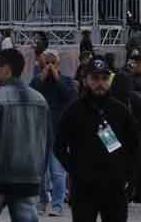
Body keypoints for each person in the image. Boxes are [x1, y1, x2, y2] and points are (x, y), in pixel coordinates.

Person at [54, 56, 139, 222]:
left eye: (104, 78)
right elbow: (59, 146)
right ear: (85, 80)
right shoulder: (73, 111)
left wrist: (128, 177)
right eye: (95, 78)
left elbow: (134, 146)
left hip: (115, 187)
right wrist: (75, 170)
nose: (100, 83)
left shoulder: (120, 111)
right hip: (84, 189)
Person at [0, 48, 50, 222]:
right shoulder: (40, 100)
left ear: (6, 69)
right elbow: (46, 142)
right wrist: (41, 178)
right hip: (29, 177)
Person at [29, 49, 76, 216]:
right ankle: (42, 202)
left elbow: (70, 96)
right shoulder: (37, 80)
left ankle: (57, 205)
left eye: (52, 62)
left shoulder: (67, 81)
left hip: (58, 133)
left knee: (57, 173)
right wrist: (43, 76)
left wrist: (56, 77)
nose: (49, 66)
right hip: (40, 132)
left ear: (58, 64)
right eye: (46, 62)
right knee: (40, 173)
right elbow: (31, 93)